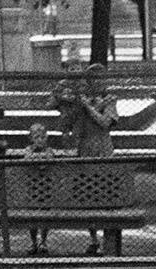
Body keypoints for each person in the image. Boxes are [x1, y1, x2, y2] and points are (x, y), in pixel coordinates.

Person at [67, 64, 117, 253]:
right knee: (87, 194)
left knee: (105, 192)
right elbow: (70, 122)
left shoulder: (110, 99)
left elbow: (105, 122)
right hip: (86, 147)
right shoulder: (81, 100)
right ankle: (93, 239)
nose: (97, 82)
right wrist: (80, 105)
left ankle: (108, 238)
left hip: (103, 147)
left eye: (100, 78)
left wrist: (90, 107)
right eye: (93, 79)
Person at [22, 122, 61, 255]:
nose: (40, 140)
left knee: (45, 215)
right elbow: (27, 158)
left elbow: (50, 158)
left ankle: (43, 241)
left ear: (46, 138)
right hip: (32, 187)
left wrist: (37, 158)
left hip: (45, 187)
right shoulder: (28, 149)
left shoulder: (49, 150)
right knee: (32, 215)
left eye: (42, 137)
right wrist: (39, 158)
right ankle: (33, 242)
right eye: (37, 137)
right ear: (31, 138)